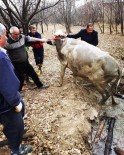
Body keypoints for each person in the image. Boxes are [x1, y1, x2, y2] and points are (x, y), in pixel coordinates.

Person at [0, 23, 31, 155]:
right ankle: (16, 150)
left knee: (20, 109)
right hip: (4, 103)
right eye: (4, 34)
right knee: (15, 125)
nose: (6, 37)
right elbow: (6, 84)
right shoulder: (1, 58)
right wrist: (15, 101)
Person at [6, 26, 49, 92]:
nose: (18, 35)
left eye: (18, 33)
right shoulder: (7, 43)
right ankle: (18, 92)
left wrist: (41, 40)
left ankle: (40, 85)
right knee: (20, 78)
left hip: (25, 62)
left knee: (33, 74)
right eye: (16, 34)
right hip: (16, 64)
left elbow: (31, 39)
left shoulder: (22, 37)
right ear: (11, 33)